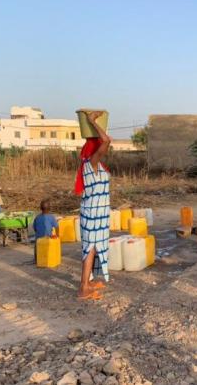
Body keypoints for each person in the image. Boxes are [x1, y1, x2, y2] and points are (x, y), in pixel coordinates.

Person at [74, 111, 112, 301]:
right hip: (93, 215)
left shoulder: (94, 165)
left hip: (97, 214)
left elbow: (105, 142)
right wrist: (91, 121)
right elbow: (106, 140)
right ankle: (83, 288)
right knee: (90, 248)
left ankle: (87, 283)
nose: (104, 151)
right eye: (100, 149)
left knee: (93, 248)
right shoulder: (91, 163)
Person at [33, 199, 59, 263]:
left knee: (36, 246)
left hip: (38, 239)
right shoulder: (51, 217)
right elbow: (57, 227)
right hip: (48, 238)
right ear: (49, 208)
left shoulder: (37, 217)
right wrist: (57, 235)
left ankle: (36, 259)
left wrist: (38, 232)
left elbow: (34, 228)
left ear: (40, 208)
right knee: (50, 246)